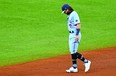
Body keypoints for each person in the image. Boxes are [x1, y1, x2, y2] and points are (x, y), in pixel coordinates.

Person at [61, 4, 91, 73]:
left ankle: (86, 62)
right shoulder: (70, 15)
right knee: (72, 51)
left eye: (64, 11)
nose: (64, 13)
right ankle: (74, 68)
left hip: (75, 34)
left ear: (67, 9)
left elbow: (78, 24)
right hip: (71, 34)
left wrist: (77, 35)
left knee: (74, 51)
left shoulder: (74, 14)